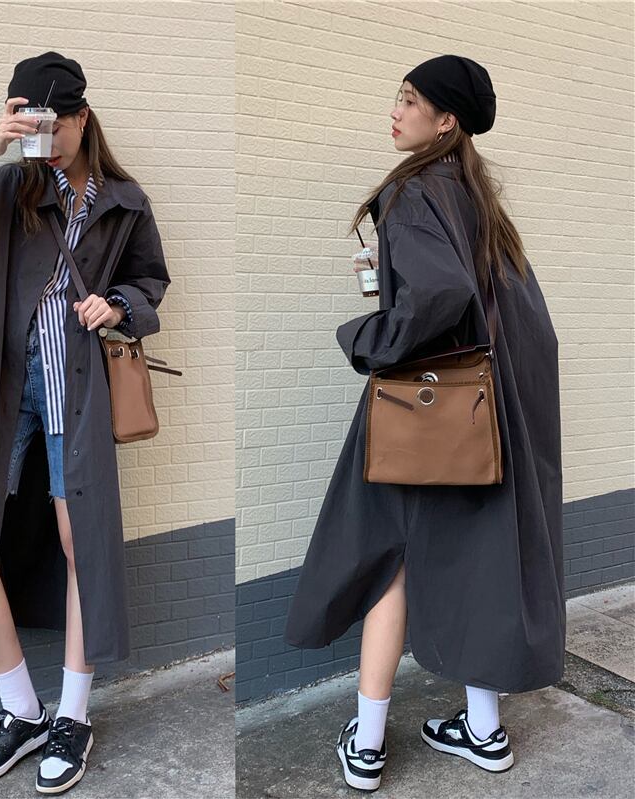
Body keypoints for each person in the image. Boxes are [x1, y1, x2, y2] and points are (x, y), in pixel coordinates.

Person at [283, 55, 564, 792]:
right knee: (473, 556)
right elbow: (512, 313)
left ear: (446, 120)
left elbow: (439, 295)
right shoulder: (476, 197)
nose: (395, 111)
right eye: (398, 98)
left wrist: (367, 337)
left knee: (391, 558)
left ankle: (369, 742)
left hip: (426, 408)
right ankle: (484, 731)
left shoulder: (411, 191)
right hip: (489, 411)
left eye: (410, 100)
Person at [0, 52, 170, 794]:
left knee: (79, 538)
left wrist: (118, 305)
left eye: (53, 122)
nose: (43, 137)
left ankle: (73, 716)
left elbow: (150, 280)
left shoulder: (124, 200)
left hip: (75, 389)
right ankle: (21, 708)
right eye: (28, 120)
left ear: (83, 118)